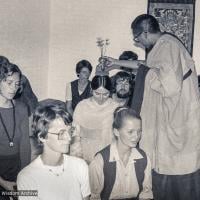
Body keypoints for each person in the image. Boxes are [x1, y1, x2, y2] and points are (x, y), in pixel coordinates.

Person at [103, 14, 200, 200]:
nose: (136, 41)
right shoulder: (163, 46)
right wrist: (116, 62)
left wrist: (145, 75)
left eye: (136, 37)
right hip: (174, 116)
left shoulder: (167, 46)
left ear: (145, 32)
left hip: (178, 119)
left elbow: (169, 87)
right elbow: (146, 66)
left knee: (175, 168)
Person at [17, 104, 91, 200]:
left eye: (70, 131)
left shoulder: (80, 166)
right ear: (42, 137)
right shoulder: (26, 177)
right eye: (61, 133)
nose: (68, 138)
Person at [89, 107, 153, 200]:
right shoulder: (100, 161)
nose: (136, 136)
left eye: (139, 131)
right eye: (130, 132)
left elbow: (146, 193)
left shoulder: (144, 158)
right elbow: (94, 196)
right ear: (116, 132)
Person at [0, 61, 31, 199]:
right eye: (9, 82)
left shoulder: (22, 108)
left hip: (17, 166)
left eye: (17, 84)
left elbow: (25, 145)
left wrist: (24, 175)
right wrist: (3, 183)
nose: (13, 88)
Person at [72, 75, 119, 163]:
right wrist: (77, 155)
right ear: (91, 89)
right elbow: (75, 132)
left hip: (108, 152)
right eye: (97, 93)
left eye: (105, 94)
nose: (101, 98)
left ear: (111, 92)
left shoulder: (115, 107)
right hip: (84, 152)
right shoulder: (82, 106)